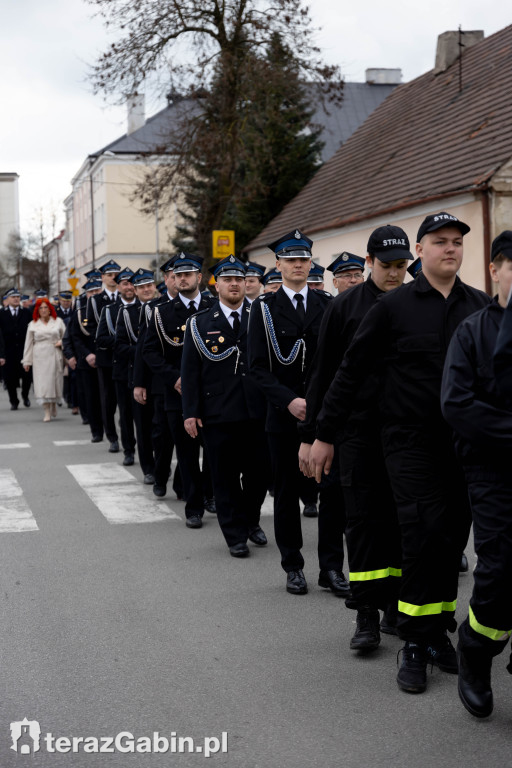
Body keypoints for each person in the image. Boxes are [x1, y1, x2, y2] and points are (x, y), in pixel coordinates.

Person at [309, 212, 490, 694]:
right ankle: (413, 642)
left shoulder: (480, 307)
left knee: (450, 542)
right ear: (420, 250)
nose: (450, 249)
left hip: (465, 448)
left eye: (456, 242)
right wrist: (322, 435)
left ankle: (435, 633)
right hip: (408, 445)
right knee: (421, 534)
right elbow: (346, 372)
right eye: (439, 242)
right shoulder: (393, 308)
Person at [299, 225, 411, 642]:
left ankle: (397, 609)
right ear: (368, 263)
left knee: (404, 524)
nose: (395, 274)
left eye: (402, 266)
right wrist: (312, 436)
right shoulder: (344, 307)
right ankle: (366, 612)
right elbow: (323, 374)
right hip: (357, 434)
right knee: (362, 523)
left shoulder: (416, 303)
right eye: (386, 266)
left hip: (405, 435)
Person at [441, 230, 512, 718]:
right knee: (501, 568)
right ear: (495, 270)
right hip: (493, 470)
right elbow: (457, 403)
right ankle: (475, 648)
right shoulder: (473, 331)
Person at [247, 229, 332, 594]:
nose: (298, 265)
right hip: (284, 416)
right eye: (291, 259)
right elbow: (256, 367)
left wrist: (319, 403)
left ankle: (331, 568)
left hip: (324, 415)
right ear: (278, 265)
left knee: (331, 494)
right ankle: (293, 565)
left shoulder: (327, 304)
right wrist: (288, 400)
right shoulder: (263, 308)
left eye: (304, 259)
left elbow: (335, 361)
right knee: (285, 493)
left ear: (310, 264)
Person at [182, 255, 269, 557]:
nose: (234, 284)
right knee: (224, 477)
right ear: (216, 284)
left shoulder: (261, 316)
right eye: (228, 279)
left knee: (259, 475)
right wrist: (190, 412)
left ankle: (251, 520)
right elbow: (190, 371)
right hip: (218, 413)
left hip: (258, 410)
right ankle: (235, 534)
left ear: (247, 283)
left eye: (239, 279)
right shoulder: (200, 323)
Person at [143, 252, 215, 525]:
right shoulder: (161, 312)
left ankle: (210, 495)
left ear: (199, 277)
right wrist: (173, 378)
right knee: (185, 453)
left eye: (188, 274)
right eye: (177, 275)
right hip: (178, 395)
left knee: (212, 451)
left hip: (211, 393)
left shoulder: (213, 306)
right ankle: (193, 507)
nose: (182, 279)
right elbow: (149, 352)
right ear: (172, 279)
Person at [115, 268, 157, 482]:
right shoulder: (127, 314)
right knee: (142, 424)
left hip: (160, 376)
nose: (146, 290)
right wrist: (142, 352)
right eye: (141, 287)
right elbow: (120, 345)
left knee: (160, 426)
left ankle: (162, 464)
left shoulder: (163, 309)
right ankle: (148, 468)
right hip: (139, 375)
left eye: (149, 285)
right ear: (136, 290)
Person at [96, 267, 138, 464]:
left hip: (144, 368)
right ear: (118, 286)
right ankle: (128, 449)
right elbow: (101, 338)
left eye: (131, 283)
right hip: (121, 367)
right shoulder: (109, 310)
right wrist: (122, 344)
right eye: (124, 283)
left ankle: (149, 450)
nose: (128, 287)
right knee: (126, 412)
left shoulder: (147, 307)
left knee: (146, 415)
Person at [21, 298, 66, 422]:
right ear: (37, 310)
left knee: (54, 382)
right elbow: (28, 344)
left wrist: (61, 343)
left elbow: (66, 337)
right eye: (41, 308)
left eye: (46, 307)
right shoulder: (33, 324)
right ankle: (46, 410)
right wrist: (27, 361)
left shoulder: (58, 322)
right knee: (43, 384)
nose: (44, 310)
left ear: (50, 309)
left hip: (54, 354)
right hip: (39, 356)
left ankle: (53, 404)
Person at [0, 287, 33, 409]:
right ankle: (14, 401)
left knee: (26, 376)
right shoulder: (2, 313)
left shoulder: (26, 312)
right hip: (8, 352)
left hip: (24, 351)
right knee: (10, 379)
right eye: (13, 297)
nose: (16, 299)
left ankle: (25, 395)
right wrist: (1, 354)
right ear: (7, 299)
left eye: (17, 297)